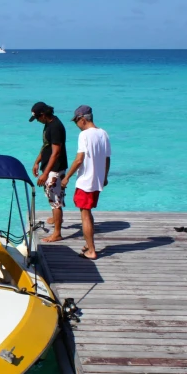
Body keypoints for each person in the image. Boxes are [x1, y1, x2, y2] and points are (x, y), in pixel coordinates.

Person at [61, 105, 111, 260]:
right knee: (88, 212)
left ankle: (91, 251)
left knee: (85, 215)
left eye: (76, 121)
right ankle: (88, 245)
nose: (76, 124)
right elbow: (107, 159)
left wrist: (67, 176)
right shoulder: (103, 133)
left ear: (82, 119)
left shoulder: (84, 135)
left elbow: (79, 159)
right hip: (97, 181)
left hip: (85, 181)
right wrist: (104, 177)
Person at [29, 102, 68, 242]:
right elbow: (46, 145)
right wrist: (37, 161)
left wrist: (46, 173)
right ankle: (55, 217)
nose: (38, 121)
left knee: (55, 201)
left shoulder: (56, 127)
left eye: (38, 118)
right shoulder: (48, 125)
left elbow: (56, 152)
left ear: (43, 115)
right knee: (51, 196)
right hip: (49, 168)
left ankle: (57, 233)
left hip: (55, 169)